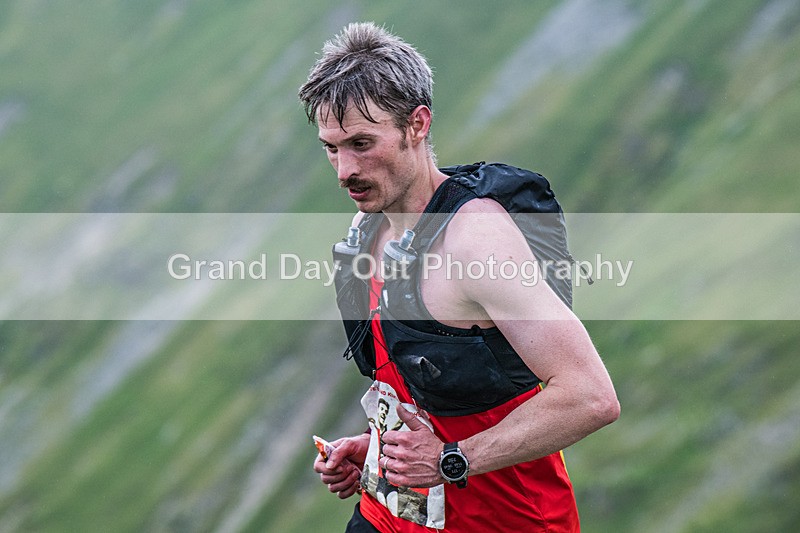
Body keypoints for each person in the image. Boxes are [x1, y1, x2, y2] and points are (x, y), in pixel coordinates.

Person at [299, 22, 619, 532]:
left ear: (417, 124)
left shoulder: (476, 241)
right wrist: (378, 448)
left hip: (505, 521)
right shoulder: (367, 225)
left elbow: (591, 397)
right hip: (388, 516)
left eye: (362, 143)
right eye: (331, 148)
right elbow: (419, 378)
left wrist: (451, 458)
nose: (344, 170)